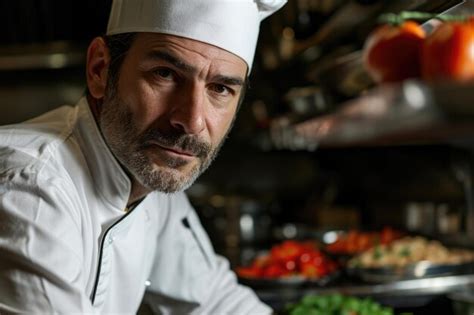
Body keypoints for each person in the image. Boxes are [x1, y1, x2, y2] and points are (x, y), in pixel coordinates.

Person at [0, 0, 287, 313]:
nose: (191, 121)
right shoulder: (30, 187)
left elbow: (216, 300)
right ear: (100, 69)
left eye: (219, 89)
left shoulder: (150, 173)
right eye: (165, 74)